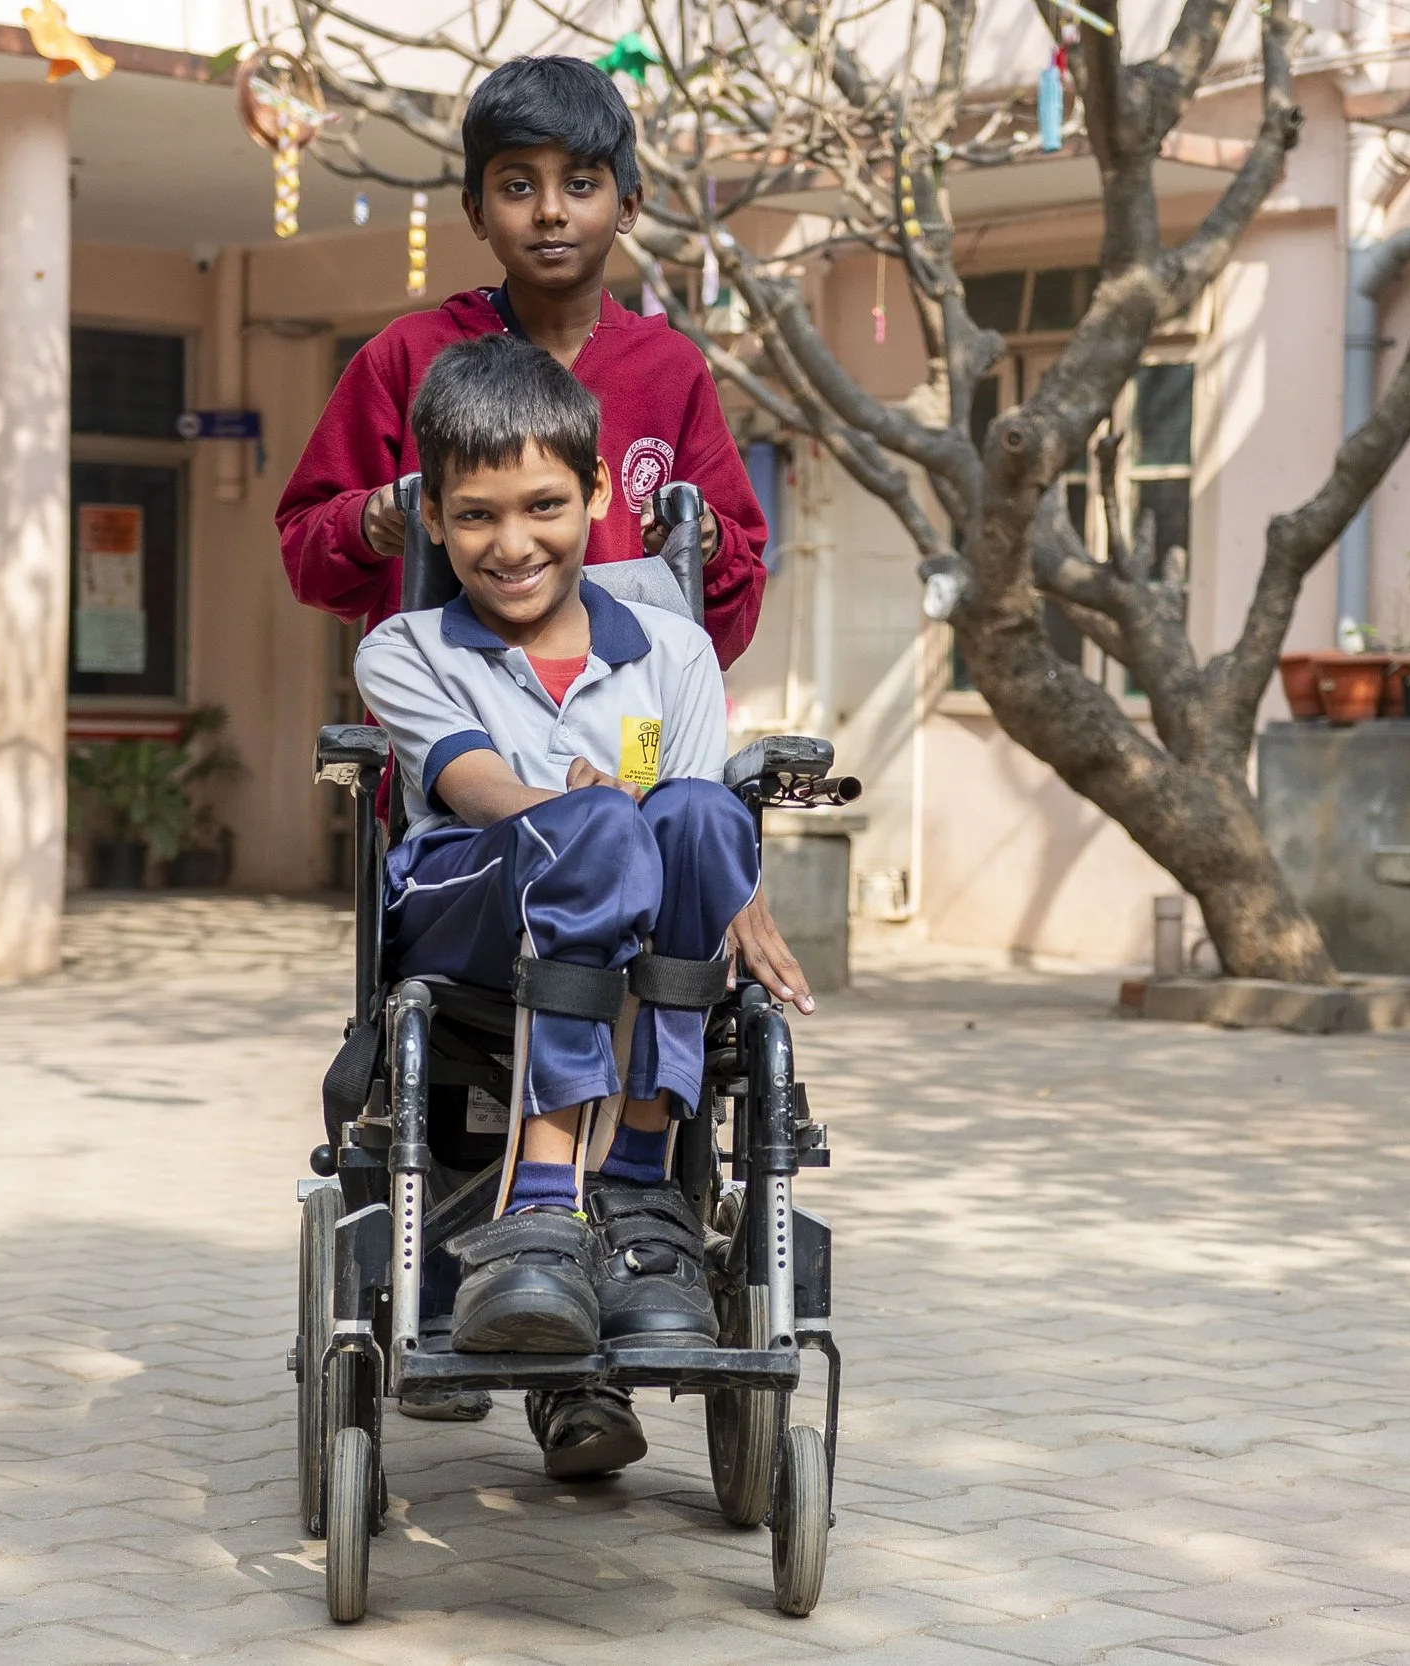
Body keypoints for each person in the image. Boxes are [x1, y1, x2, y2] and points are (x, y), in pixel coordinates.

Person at [354, 334, 811, 1480]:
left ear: (599, 492)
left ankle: (641, 1193)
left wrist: (730, 880)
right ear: (436, 519)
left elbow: (690, 812)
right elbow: (470, 785)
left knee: (702, 816)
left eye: (544, 506)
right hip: (469, 895)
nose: (511, 544)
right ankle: (549, 1197)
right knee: (602, 825)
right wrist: (576, 809)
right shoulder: (406, 647)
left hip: (632, 907)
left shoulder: (672, 651)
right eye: (473, 517)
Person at [278, 54, 770, 669]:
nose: (550, 211)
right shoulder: (405, 357)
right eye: (517, 186)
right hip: (444, 725)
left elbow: (732, 612)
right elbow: (309, 561)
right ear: (476, 211)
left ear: (629, 205)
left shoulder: (671, 370)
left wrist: (709, 545)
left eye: (581, 184)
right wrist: (366, 522)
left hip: (626, 734)